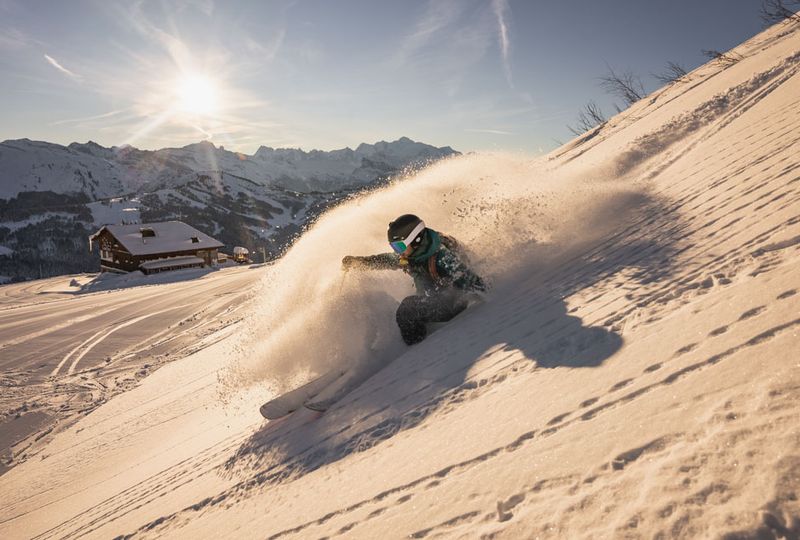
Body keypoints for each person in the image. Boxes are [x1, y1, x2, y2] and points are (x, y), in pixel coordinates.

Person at [342, 214, 486, 345]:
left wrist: (487, 296)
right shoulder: (413, 256)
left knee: (407, 310)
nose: (397, 252)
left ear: (416, 240)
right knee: (407, 309)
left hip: (452, 303)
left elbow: (470, 280)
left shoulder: (442, 257)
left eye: (399, 246)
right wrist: (358, 262)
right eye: (394, 247)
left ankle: (416, 351)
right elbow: (387, 260)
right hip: (433, 298)